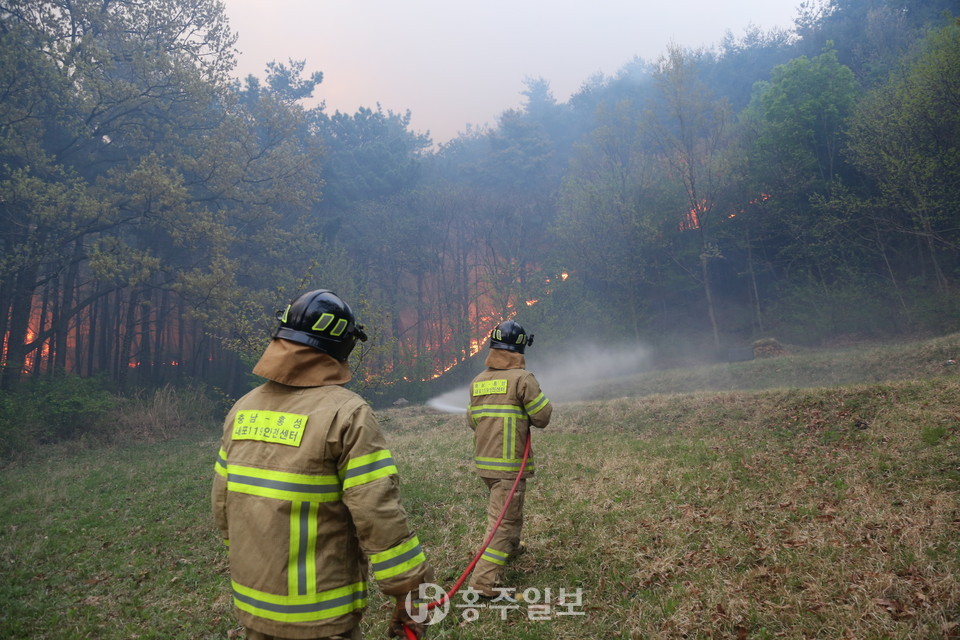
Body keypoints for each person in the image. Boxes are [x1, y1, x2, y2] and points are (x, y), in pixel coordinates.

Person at [212, 289, 433, 640]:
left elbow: (223, 506)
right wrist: (409, 589)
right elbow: (377, 510)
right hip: (319, 614)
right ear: (342, 347)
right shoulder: (347, 412)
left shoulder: (242, 409)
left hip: (254, 606)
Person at [465, 320, 552, 597]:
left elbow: (472, 419)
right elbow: (542, 417)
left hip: (486, 466)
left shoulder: (478, 381)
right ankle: (483, 583)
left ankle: (512, 548)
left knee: (509, 513)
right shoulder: (522, 379)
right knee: (503, 522)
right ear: (520, 347)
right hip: (509, 467)